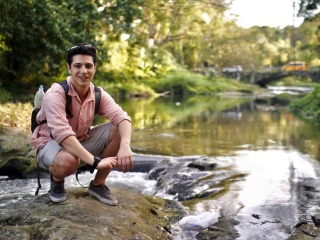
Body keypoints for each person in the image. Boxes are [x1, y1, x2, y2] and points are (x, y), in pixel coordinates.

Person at [31, 43, 133, 205]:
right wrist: (96, 162)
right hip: (50, 144)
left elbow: (122, 117)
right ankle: (57, 181)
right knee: (68, 161)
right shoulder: (56, 94)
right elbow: (63, 136)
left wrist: (125, 146)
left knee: (119, 129)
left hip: (79, 140)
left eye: (88, 66)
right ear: (69, 68)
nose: (83, 71)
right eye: (78, 66)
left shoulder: (98, 94)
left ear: (94, 68)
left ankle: (98, 185)